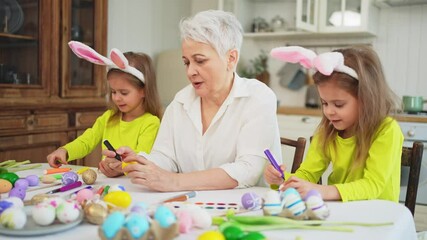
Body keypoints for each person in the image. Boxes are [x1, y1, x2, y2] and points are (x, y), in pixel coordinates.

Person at [103, 10, 282, 191]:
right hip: (190, 206)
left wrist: (174, 182)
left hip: (247, 210)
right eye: (187, 62)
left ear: (231, 58)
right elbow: (166, 157)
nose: (190, 72)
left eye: (200, 61)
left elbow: (247, 170)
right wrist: (137, 162)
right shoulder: (180, 102)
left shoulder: (258, 98)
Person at [264, 45, 404, 202]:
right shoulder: (327, 132)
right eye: (324, 103)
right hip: (343, 212)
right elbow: (307, 174)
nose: (329, 111)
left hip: (380, 216)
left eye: (338, 104)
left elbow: (372, 186)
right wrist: (282, 179)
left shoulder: (386, 130)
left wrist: (321, 190)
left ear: (366, 99)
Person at [47, 41, 162, 178]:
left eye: (124, 93)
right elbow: (86, 141)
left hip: (133, 185)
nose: (117, 98)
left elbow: (141, 159)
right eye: (113, 92)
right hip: (107, 182)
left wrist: (120, 168)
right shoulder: (108, 117)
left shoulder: (150, 123)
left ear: (143, 91)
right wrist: (64, 150)